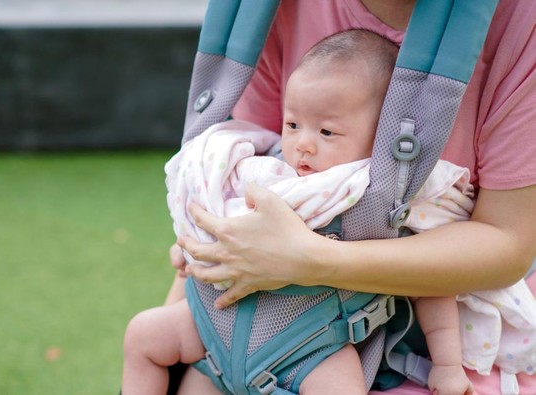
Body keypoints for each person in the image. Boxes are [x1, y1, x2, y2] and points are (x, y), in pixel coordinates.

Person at [170, 1, 536, 394]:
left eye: (327, 133)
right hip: (256, 313)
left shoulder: (520, 23)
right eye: (294, 126)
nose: (305, 146)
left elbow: (502, 247)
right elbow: (234, 174)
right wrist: (201, 251)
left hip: (413, 326)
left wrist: (310, 260)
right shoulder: (271, 13)